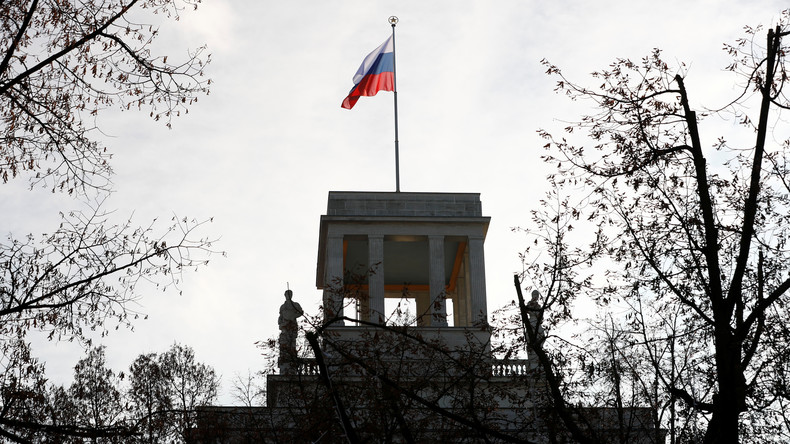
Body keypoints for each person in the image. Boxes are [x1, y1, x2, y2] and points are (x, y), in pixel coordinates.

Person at [278, 289, 303, 374]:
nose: (289, 295)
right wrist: (281, 323)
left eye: (290, 294)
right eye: (287, 294)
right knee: (284, 339)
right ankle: (286, 355)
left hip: (292, 324)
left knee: (292, 340)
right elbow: (280, 317)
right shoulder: (282, 306)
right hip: (285, 325)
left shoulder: (295, 304)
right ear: (285, 295)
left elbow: (300, 312)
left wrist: (293, 316)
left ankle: (291, 354)